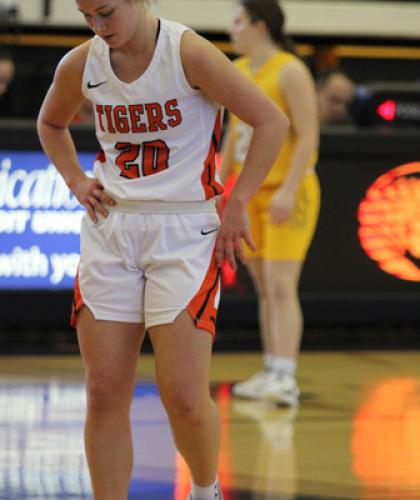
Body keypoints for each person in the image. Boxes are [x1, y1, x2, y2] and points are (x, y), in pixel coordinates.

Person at [37, 1, 288, 499]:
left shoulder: (187, 51)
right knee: (104, 392)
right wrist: (75, 179)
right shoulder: (81, 62)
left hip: (185, 228)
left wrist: (238, 201)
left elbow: (270, 121)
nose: (98, 26)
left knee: (184, 397)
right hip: (111, 226)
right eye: (88, 16)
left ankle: (204, 489)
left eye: (106, 12)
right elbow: (51, 123)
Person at [221, 0, 320, 407]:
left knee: (281, 286)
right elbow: (232, 137)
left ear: (260, 26)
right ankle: (271, 368)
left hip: (288, 190)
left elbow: (309, 136)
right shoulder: (238, 70)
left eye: (238, 21)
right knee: (263, 287)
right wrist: (216, 183)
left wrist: (289, 187)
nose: (232, 29)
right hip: (249, 193)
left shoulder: (290, 69)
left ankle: (286, 374)